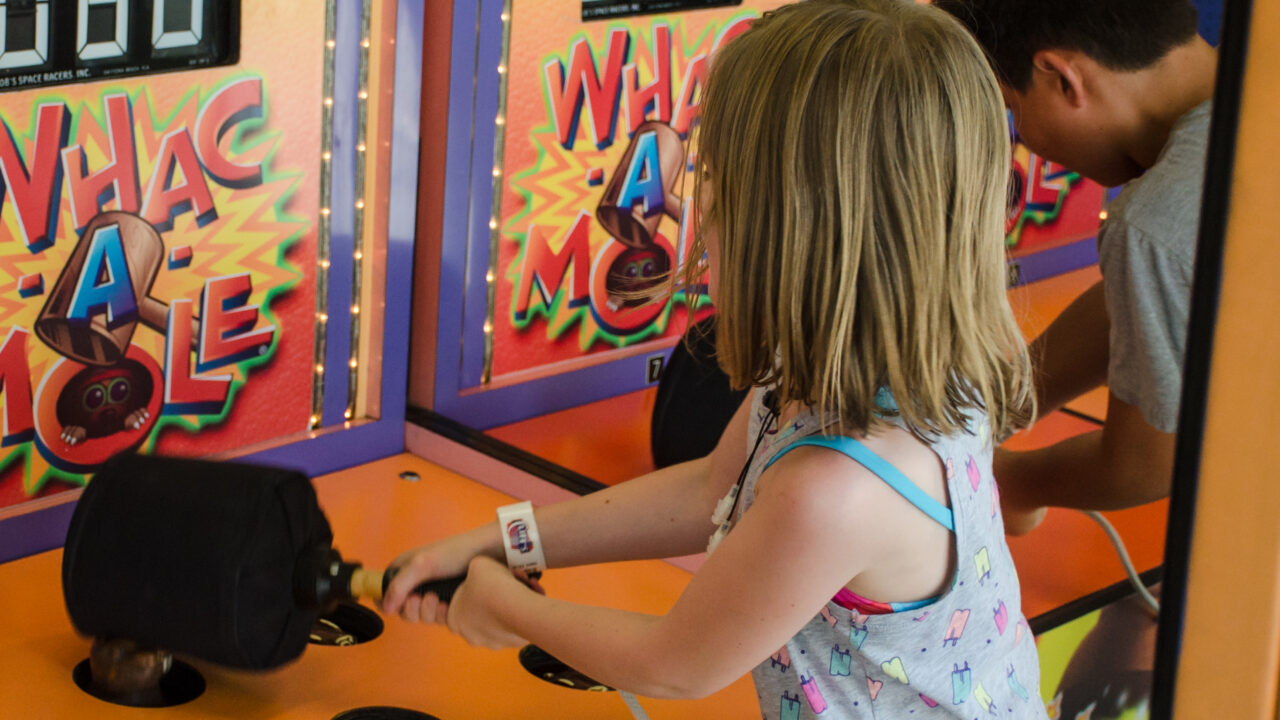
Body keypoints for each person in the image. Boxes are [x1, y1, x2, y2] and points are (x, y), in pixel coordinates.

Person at [384, 1, 1046, 716]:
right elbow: (710, 492)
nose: (699, 214)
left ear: (791, 229)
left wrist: (510, 611)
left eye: (718, 186)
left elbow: (676, 663)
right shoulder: (857, 363)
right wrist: (504, 542)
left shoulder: (841, 488)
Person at [933, 0, 1216, 533]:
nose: (1026, 142)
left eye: (1012, 110)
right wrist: (987, 407)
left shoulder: (1157, 220)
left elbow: (1148, 461)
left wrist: (1005, 482)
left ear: (1062, 78)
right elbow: (1146, 306)